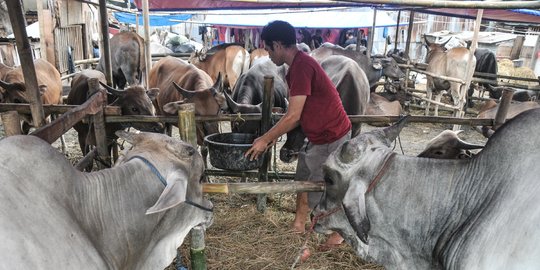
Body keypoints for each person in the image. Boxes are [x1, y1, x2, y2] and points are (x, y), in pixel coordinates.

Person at [245, 20, 351, 250]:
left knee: (328, 185)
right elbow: (294, 113)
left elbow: (293, 116)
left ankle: (337, 233)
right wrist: (272, 135)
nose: (268, 54)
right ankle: (298, 224)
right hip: (316, 135)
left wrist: (264, 139)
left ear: (278, 44)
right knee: (303, 177)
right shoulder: (297, 67)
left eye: (268, 48)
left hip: (332, 134)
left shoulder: (302, 67)